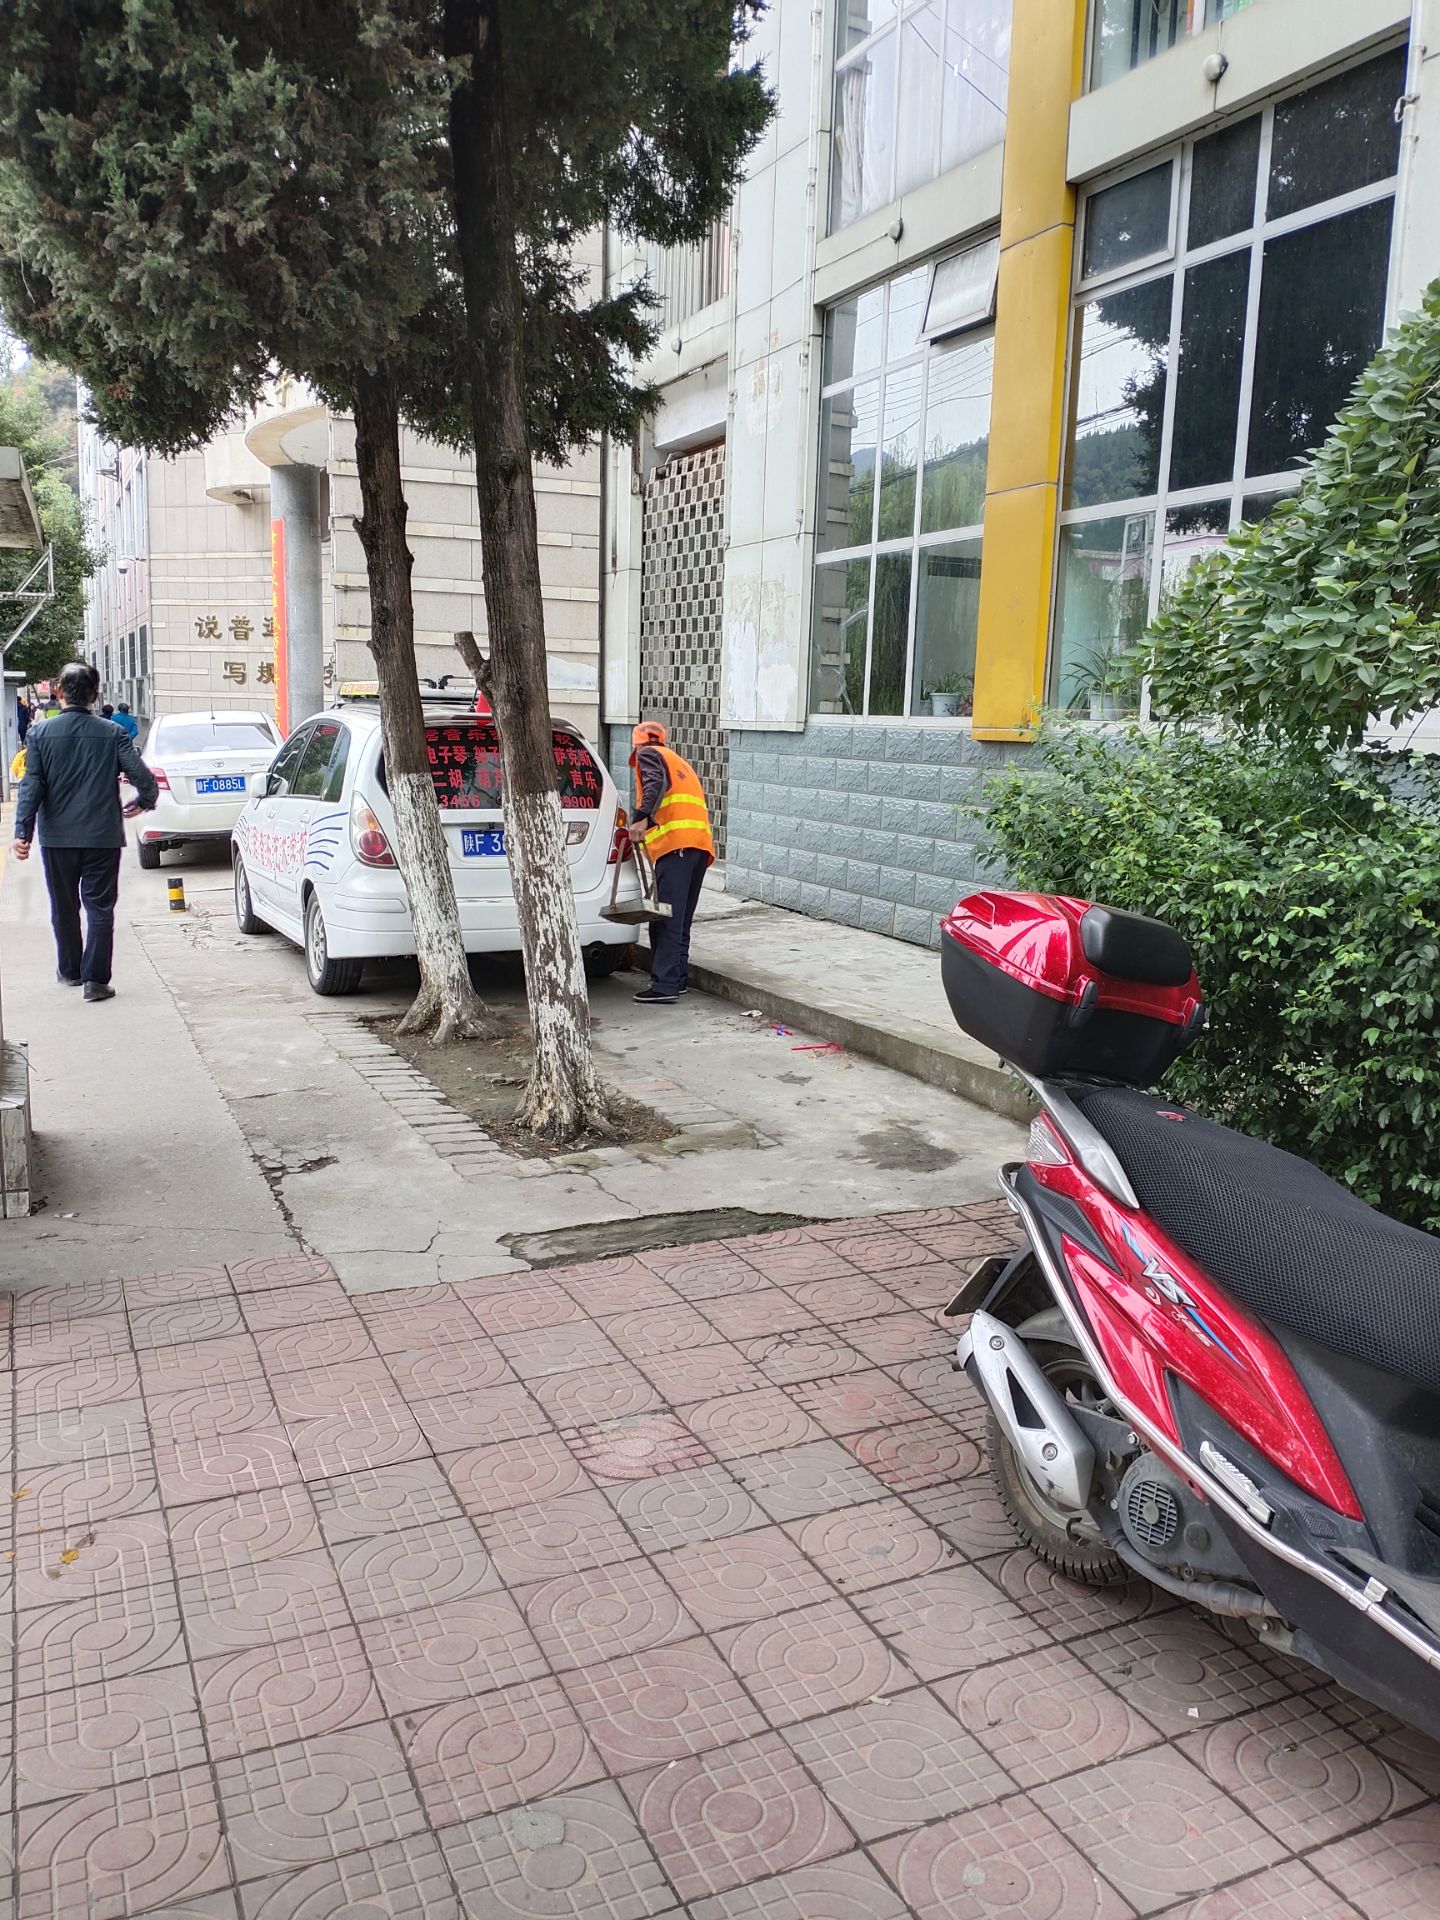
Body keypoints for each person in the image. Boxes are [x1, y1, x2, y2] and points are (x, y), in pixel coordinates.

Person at [11, 660, 159, 1001]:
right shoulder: (113, 733)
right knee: (100, 908)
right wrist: (145, 800)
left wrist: (23, 833)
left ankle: (70, 971)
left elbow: (32, 785)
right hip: (102, 836)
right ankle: (95, 981)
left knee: (63, 906)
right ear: (95, 695)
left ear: (59, 692)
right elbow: (141, 776)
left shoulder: (39, 734)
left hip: (57, 838)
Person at [627, 720, 714, 1006]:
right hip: (698, 847)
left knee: (665, 920)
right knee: (681, 918)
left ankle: (664, 985)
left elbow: (655, 784)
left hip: (676, 846)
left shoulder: (648, 755)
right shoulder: (678, 761)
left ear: (637, 744)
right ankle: (677, 979)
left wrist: (641, 818)